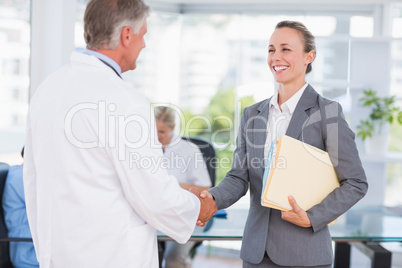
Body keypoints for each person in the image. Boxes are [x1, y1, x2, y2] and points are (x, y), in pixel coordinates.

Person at [23, 0, 216, 267]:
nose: (144, 44)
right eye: (143, 34)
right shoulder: (126, 101)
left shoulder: (47, 89)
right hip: (109, 255)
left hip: (58, 254)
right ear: (127, 35)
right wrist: (199, 207)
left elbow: (32, 180)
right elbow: (154, 196)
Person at [200, 20, 368, 267]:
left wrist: (312, 217)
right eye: (271, 50)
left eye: (285, 49)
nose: (276, 57)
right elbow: (238, 177)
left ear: (309, 56)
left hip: (305, 254)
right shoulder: (252, 115)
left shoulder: (327, 113)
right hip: (256, 253)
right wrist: (211, 199)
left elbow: (355, 182)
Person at [154, 106, 211, 268]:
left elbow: (205, 188)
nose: (157, 137)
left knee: (174, 260)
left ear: (172, 128)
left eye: (162, 132)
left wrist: (169, 185)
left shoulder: (189, 150)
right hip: (153, 214)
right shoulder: (143, 149)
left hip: (184, 214)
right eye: (153, 131)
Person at [3, 148, 39, 268]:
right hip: (27, 251)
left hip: (33, 244)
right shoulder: (21, 176)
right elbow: (51, 204)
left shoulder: (27, 175)